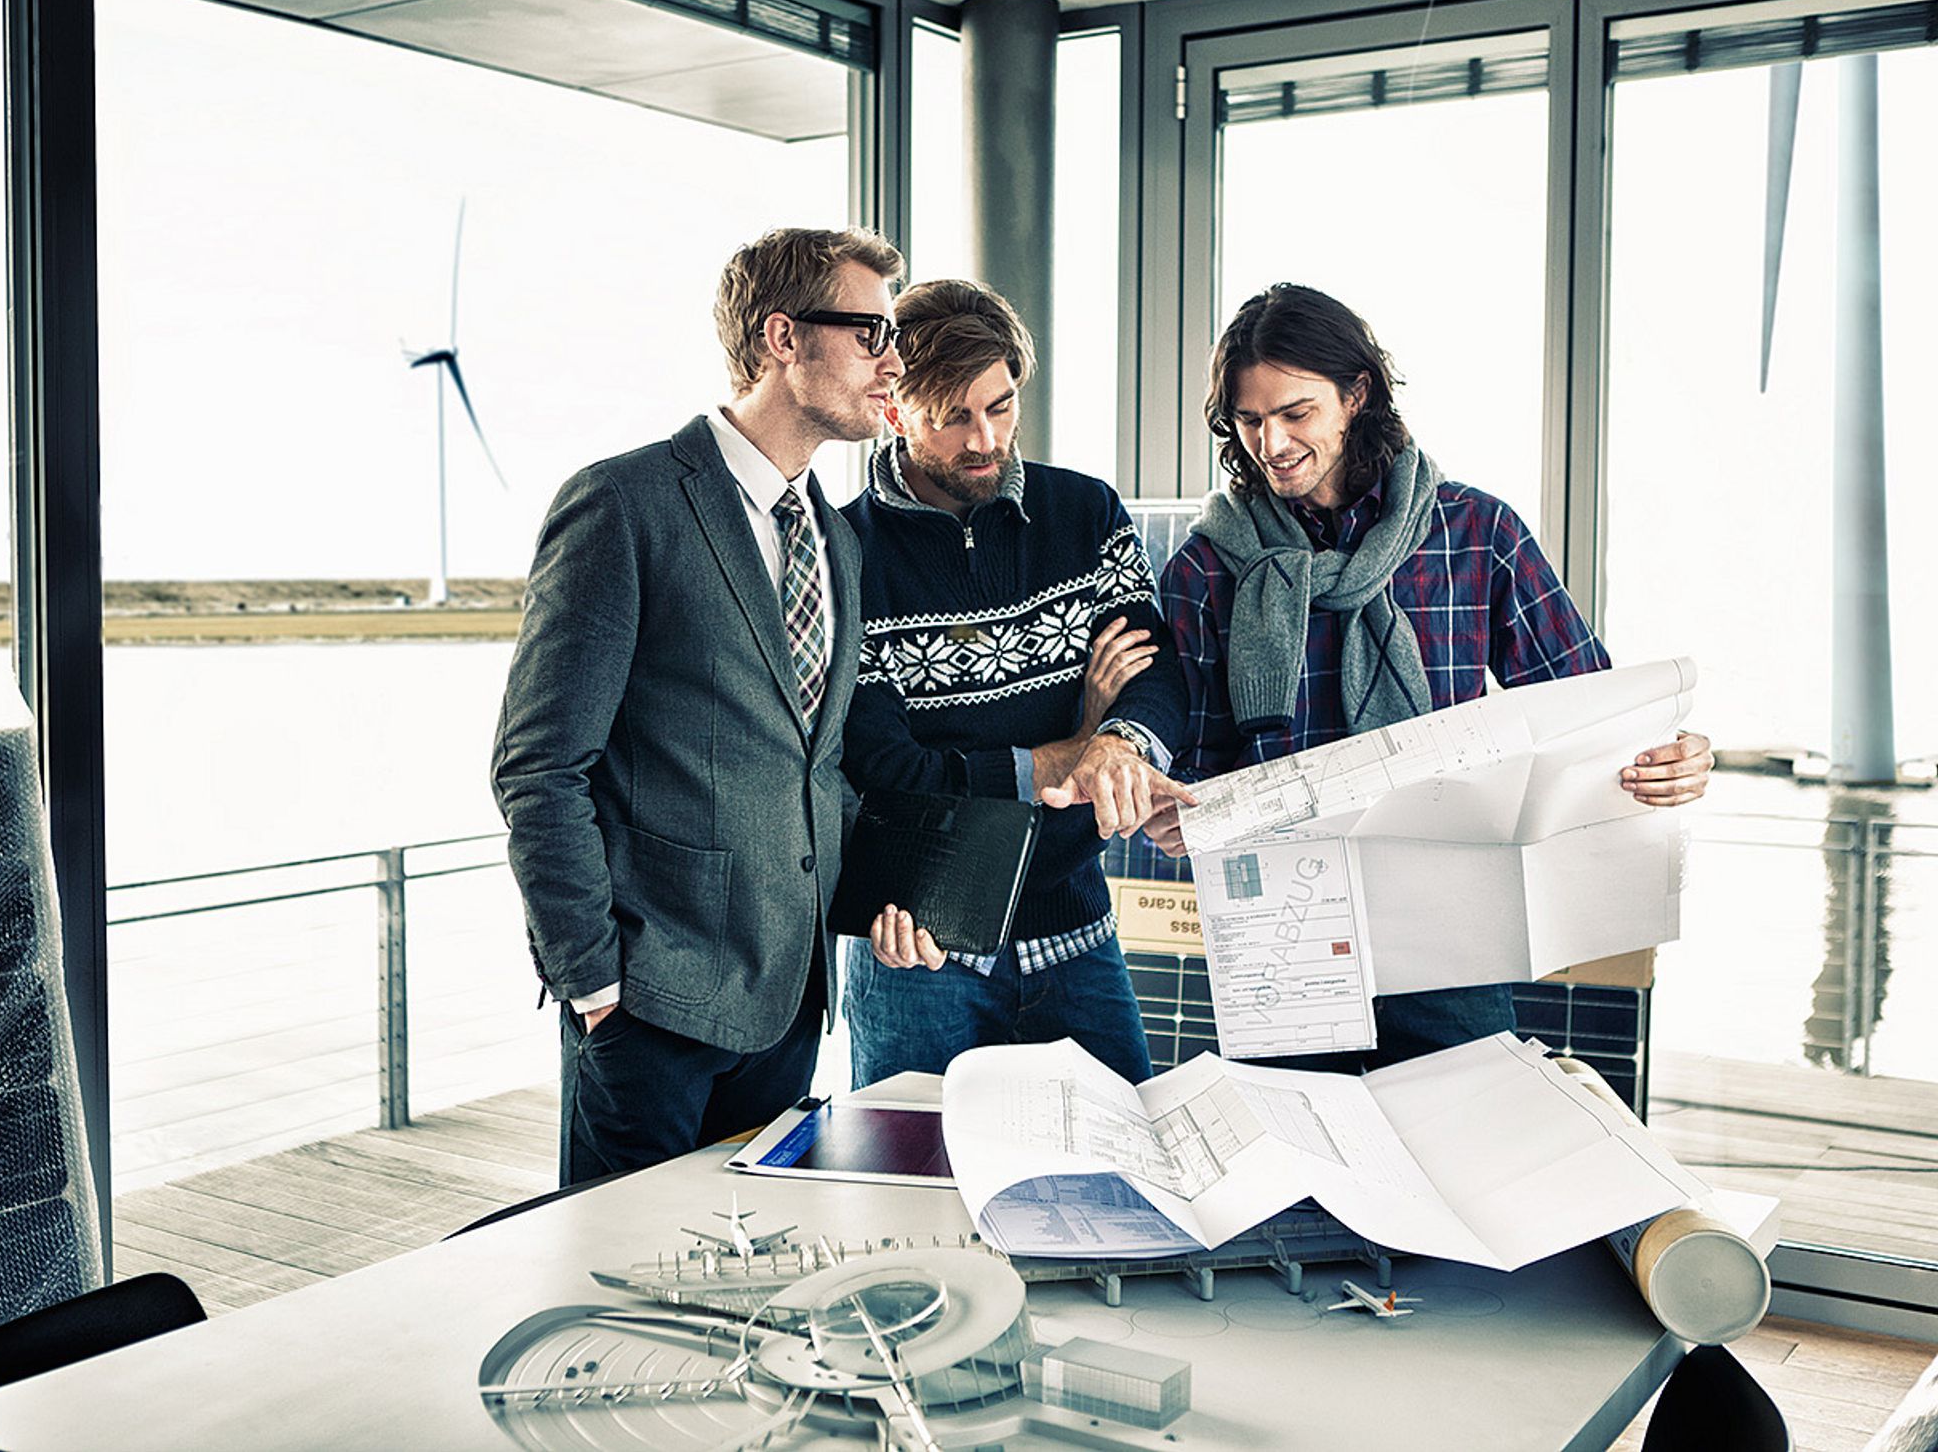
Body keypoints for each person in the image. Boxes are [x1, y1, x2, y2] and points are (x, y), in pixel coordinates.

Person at [1150, 282, 1713, 1067]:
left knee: (1469, 1154)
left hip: (1450, 929)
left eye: (1295, 413)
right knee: (1301, 1172)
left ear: (1356, 395)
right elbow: (1192, 766)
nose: (1270, 442)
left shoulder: (1476, 534)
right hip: (1286, 938)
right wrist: (1174, 809)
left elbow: (1585, 710)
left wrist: (1670, 753)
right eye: (1249, 420)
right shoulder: (1207, 568)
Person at [493, 227, 904, 1183]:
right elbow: (540, 766)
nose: (892, 361)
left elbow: (814, 767)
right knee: (629, 1294)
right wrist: (592, 979)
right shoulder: (624, 504)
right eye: (871, 333)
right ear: (782, 338)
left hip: (788, 1008)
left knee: (750, 1280)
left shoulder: (837, 541)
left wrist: (901, 895)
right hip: (651, 1008)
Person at [839, 278, 1194, 1088]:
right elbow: (890, 772)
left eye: (1000, 406)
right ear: (894, 408)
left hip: (1079, 936)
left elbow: (1155, 676)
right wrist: (1071, 747)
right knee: (911, 1197)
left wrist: (1117, 741)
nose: (986, 438)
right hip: (916, 950)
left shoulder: (1088, 514)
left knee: (1129, 1187)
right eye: (954, 416)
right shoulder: (844, 554)